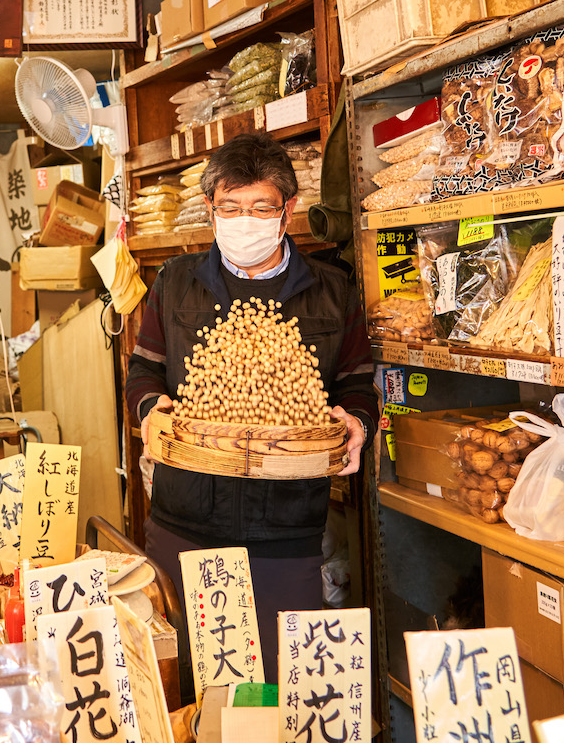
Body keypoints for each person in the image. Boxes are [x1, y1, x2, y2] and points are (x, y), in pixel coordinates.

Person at [124, 132, 376, 662]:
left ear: (287, 212)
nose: (245, 221)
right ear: (211, 212)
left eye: (260, 207)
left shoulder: (333, 289)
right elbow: (144, 371)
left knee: (283, 680)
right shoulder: (174, 282)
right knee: (189, 674)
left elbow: (355, 379)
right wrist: (151, 412)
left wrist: (356, 421)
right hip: (184, 518)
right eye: (230, 208)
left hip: (286, 526)